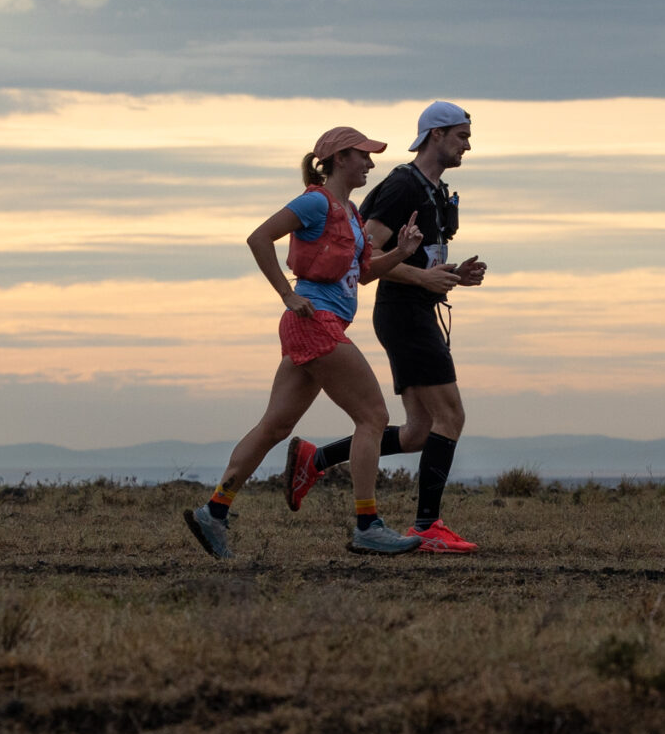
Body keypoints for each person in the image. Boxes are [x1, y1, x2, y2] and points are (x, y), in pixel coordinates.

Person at [183, 126, 425, 560]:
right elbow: (259, 238)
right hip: (315, 322)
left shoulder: (349, 211)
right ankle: (368, 525)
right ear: (337, 159)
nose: (370, 163)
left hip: (314, 324)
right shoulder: (316, 201)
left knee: (275, 426)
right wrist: (287, 294)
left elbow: (364, 274)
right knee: (373, 417)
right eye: (363, 156)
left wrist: (402, 253)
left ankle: (213, 511)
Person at [282, 101, 487, 552]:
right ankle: (427, 527)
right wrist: (423, 278)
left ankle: (315, 460)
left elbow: (414, 261)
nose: (467, 146)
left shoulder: (434, 190)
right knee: (451, 416)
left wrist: (450, 274)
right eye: (461, 137)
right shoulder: (401, 186)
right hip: (402, 312)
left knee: (417, 432)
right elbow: (365, 256)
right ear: (436, 135)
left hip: (416, 309)